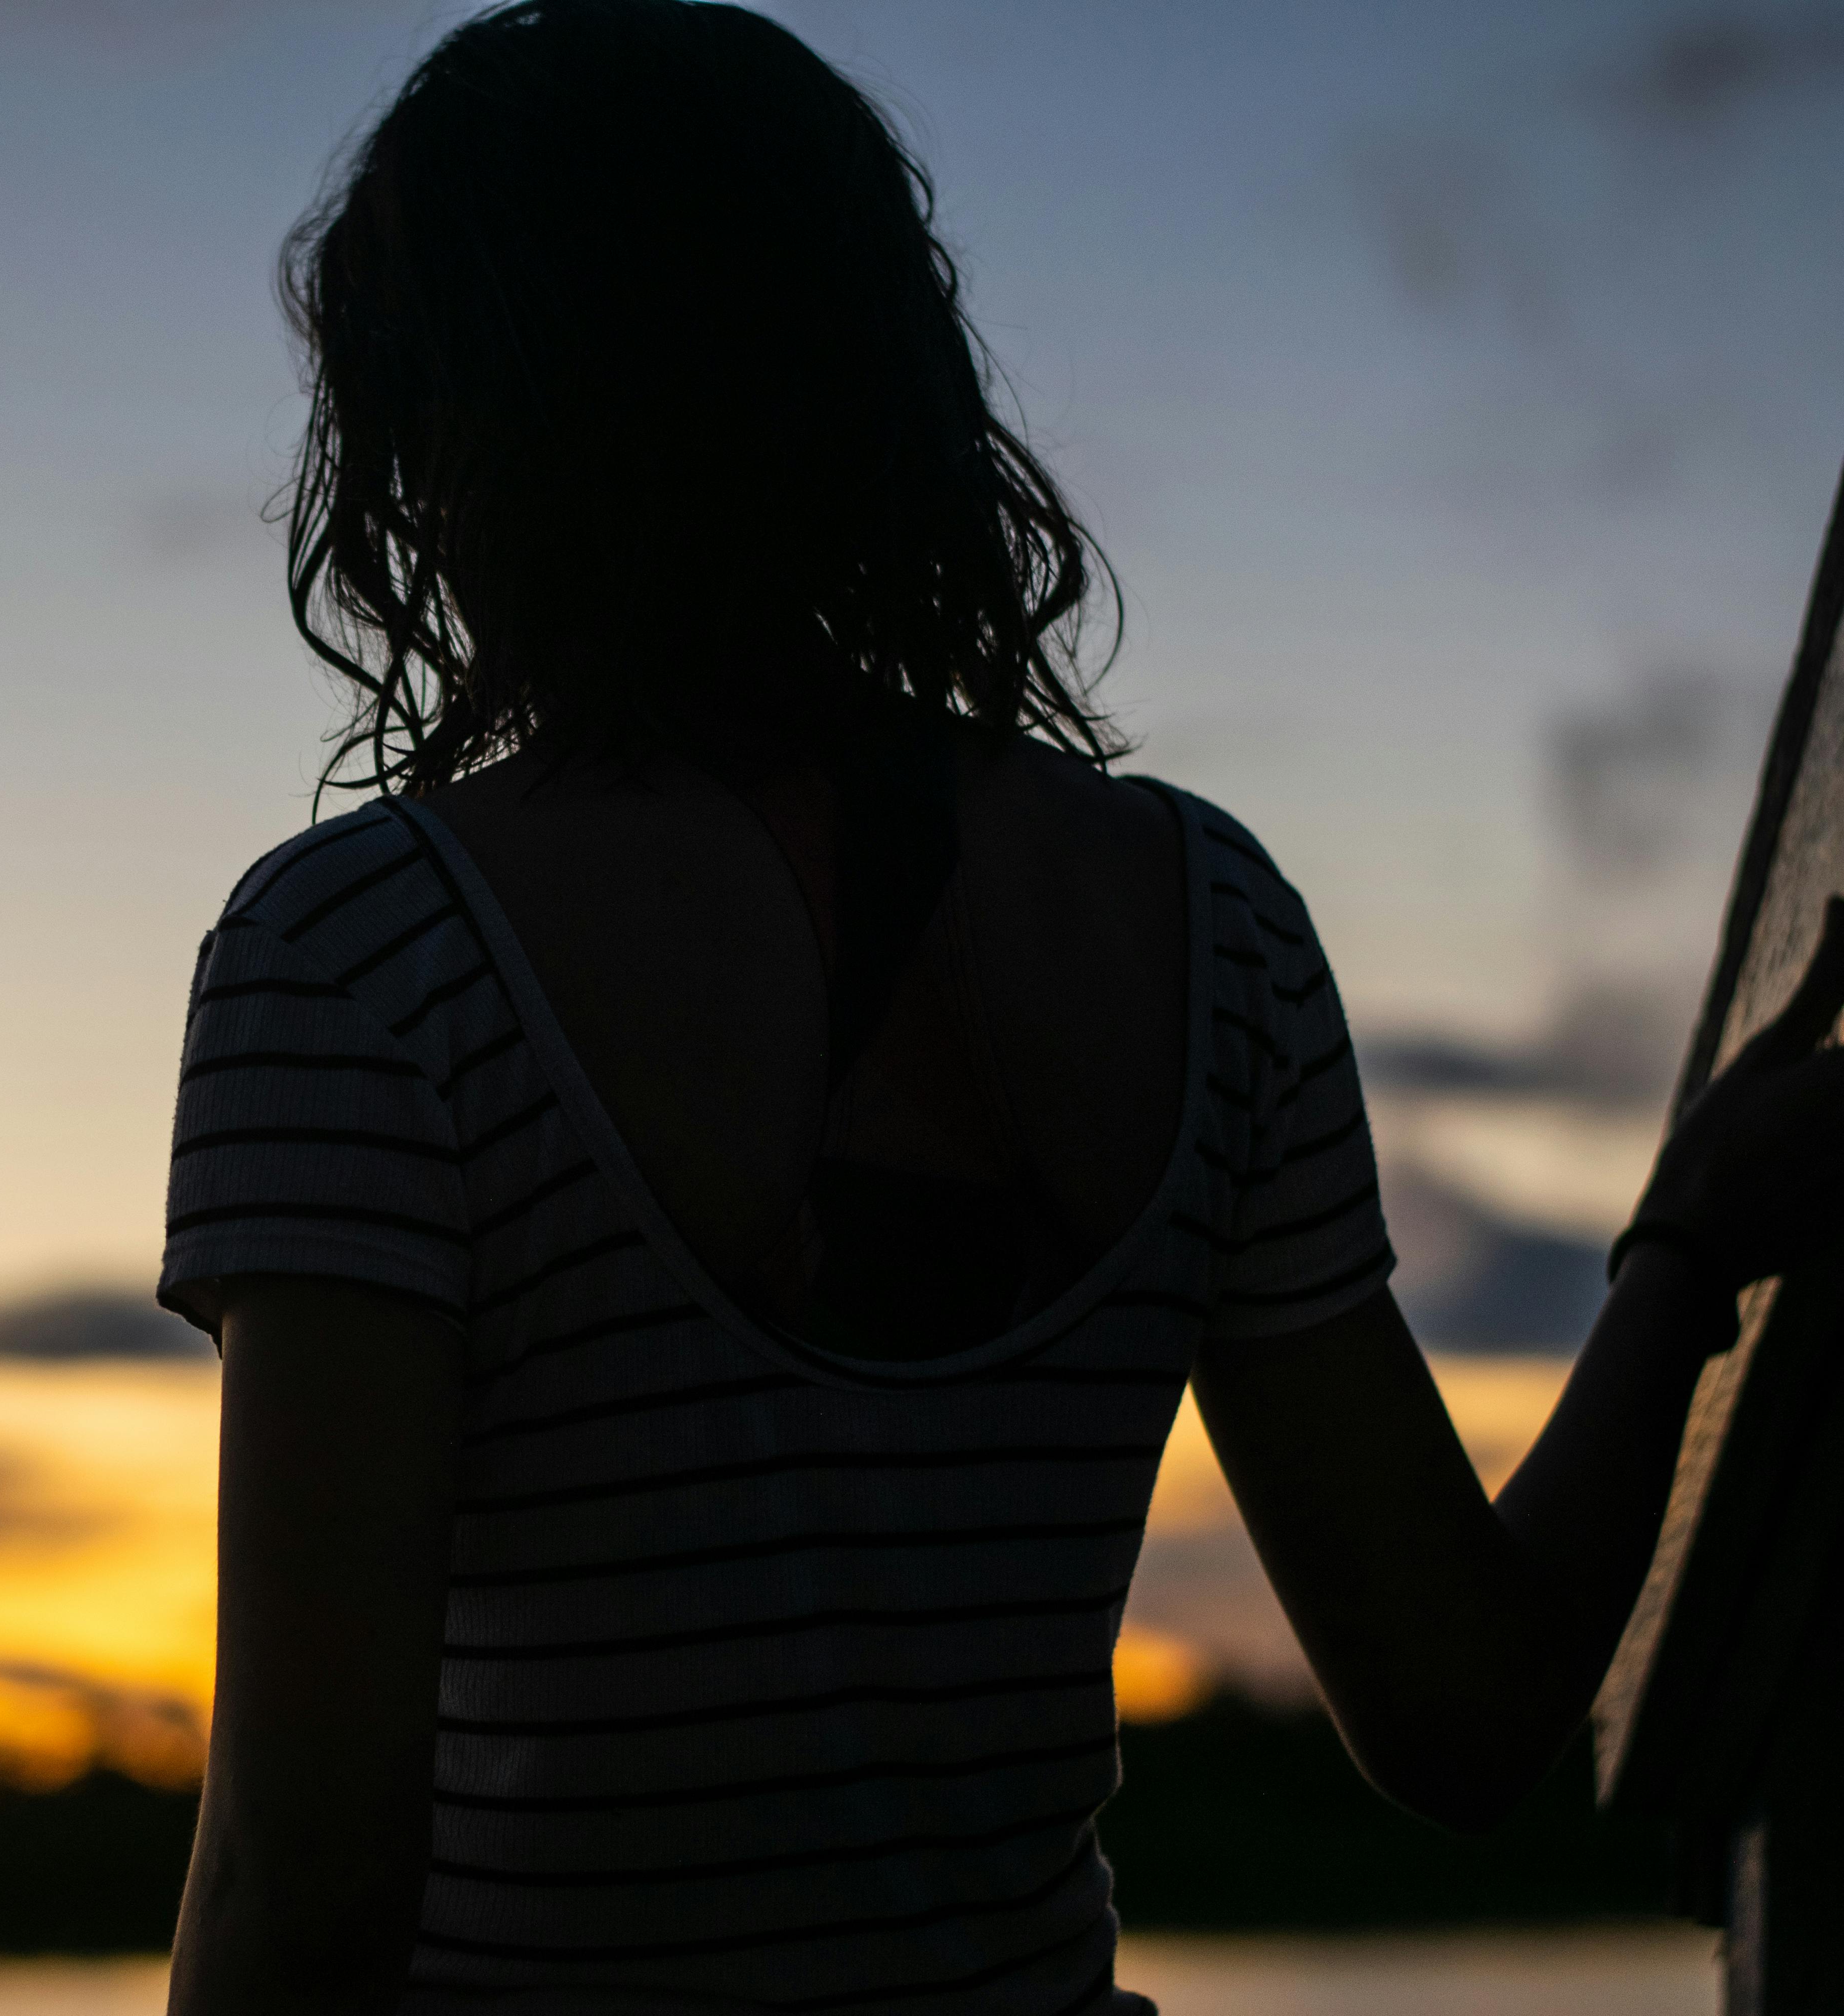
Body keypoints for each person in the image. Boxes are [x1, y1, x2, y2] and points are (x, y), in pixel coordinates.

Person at [151, 5, 1844, 2010]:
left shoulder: (363, 956)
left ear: (448, 433)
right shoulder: (1209, 922)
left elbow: (304, 1875)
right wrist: (1684, 1252)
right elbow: (1465, 1715)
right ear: (879, 377)